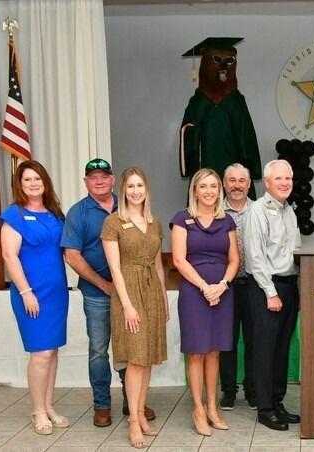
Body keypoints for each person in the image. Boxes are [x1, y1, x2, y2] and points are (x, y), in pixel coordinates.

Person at [61, 158, 156, 427]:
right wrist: (105, 286)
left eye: (104, 176)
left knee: (131, 348)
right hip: (97, 293)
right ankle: (102, 404)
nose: (99, 181)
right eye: (93, 177)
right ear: (86, 182)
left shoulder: (127, 203)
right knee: (99, 350)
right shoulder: (78, 213)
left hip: (134, 292)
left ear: (114, 180)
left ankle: (133, 402)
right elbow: (72, 256)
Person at [0, 160, 70, 435]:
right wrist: (26, 292)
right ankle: (37, 410)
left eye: (37, 179)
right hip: (31, 293)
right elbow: (9, 256)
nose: (33, 183)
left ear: (45, 182)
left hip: (56, 293)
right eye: (27, 179)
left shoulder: (55, 214)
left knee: (51, 352)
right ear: (20, 184)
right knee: (40, 353)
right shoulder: (14, 215)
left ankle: (49, 406)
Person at [101, 167, 168, 449]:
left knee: (147, 357)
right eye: (130, 186)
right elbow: (114, 269)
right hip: (128, 291)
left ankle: (141, 414)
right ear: (123, 190)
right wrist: (127, 305)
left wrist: (163, 300)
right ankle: (132, 421)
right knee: (135, 359)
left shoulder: (155, 223)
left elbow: (158, 264)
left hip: (152, 290)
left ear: (146, 190)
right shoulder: (113, 222)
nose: (136, 191)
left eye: (140, 185)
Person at [171, 168, 239, 435]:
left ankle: (213, 406)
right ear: (195, 191)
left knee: (214, 352)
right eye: (204, 186)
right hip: (193, 292)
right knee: (197, 351)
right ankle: (198, 409)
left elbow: (234, 259)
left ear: (219, 190)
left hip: (222, 292)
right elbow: (178, 260)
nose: (209, 191)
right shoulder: (182, 219)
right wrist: (204, 287)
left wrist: (221, 286)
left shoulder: (227, 222)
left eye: (214, 186)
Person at [243, 159, 302, 431]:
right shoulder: (257, 210)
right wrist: (270, 292)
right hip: (268, 288)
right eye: (278, 179)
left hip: (289, 287)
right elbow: (255, 257)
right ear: (267, 183)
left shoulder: (289, 211)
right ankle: (265, 409)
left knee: (280, 351)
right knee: (265, 351)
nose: (284, 183)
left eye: (288, 178)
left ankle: (278, 403)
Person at [219, 163, 256, 411]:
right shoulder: (215, 211)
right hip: (225, 286)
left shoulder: (260, 210)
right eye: (232, 180)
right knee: (227, 341)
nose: (237, 185)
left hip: (254, 285)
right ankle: (229, 391)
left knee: (255, 340)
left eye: (241, 181)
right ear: (224, 184)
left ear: (249, 184)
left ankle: (253, 390)